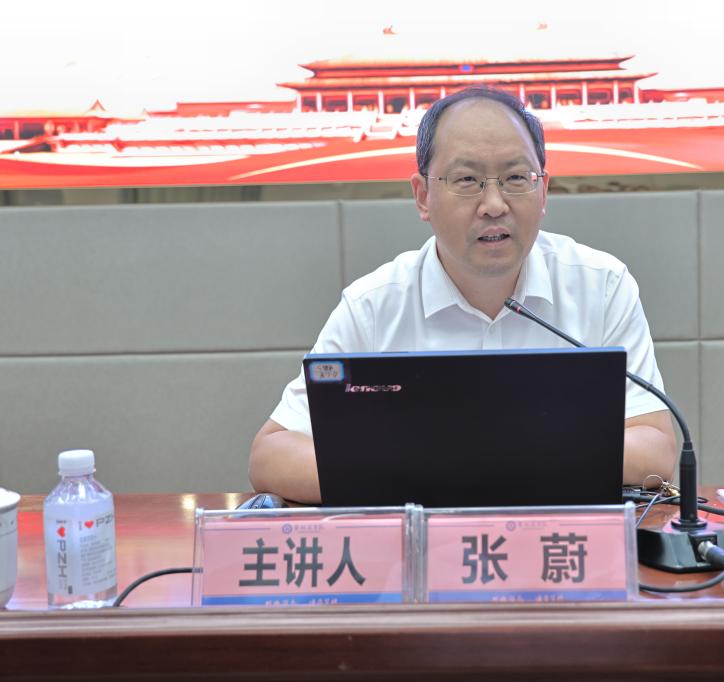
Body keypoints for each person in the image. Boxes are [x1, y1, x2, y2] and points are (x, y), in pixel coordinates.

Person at [249, 87, 677, 503]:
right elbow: (272, 456)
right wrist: (447, 464)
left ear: (543, 190)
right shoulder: (374, 306)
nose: (494, 204)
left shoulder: (601, 285)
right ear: (423, 196)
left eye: (515, 178)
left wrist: (474, 458)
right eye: (468, 180)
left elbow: (655, 449)